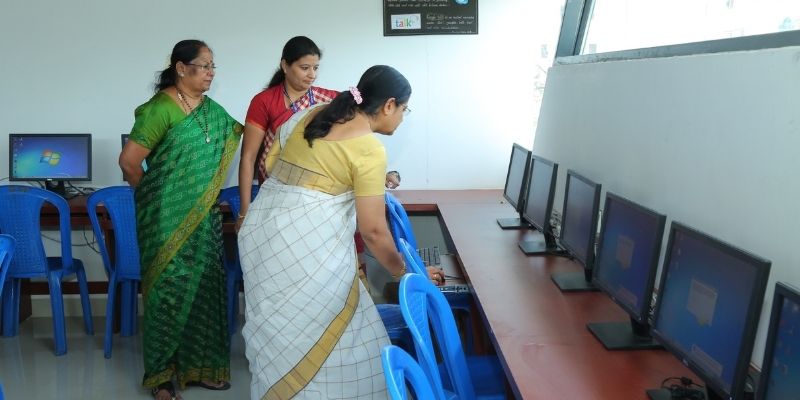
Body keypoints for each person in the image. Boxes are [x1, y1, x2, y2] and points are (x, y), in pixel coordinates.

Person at [237, 65, 443, 399]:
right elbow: (373, 231)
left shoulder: (310, 114)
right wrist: (406, 273)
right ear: (389, 105)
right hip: (310, 251)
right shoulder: (369, 149)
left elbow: (272, 165)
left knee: (281, 334)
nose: (402, 118)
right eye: (404, 109)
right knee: (335, 335)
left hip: (265, 239)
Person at [119, 39, 241, 400]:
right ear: (181, 68)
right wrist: (156, 197)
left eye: (213, 66)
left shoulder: (212, 111)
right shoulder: (160, 109)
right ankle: (161, 377)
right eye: (204, 66)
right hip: (164, 221)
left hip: (203, 219)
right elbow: (129, 162)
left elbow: (244, 136)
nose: (210, 73)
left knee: (204, 289)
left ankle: (199, 368)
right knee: (168, 294)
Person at [236, 36, 399, 282]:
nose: (311, 74)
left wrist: (377, 175)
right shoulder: (265, 102)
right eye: (304, 67)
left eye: (315, 67)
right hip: (280, 198)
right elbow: (249, 158)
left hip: (325, 211)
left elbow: (343, 154)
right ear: (285, 66)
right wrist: (244, 212)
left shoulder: (330, 100)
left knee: (327, 279)